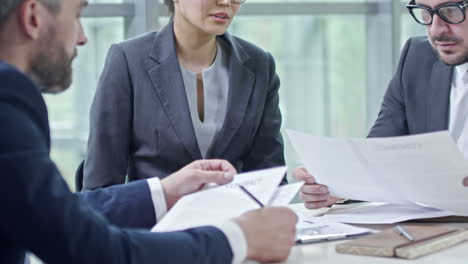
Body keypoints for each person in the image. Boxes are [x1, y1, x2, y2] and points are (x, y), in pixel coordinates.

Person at [0, 0, 298, 263]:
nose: (82, 37)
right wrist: (237, 238)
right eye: (77, 15)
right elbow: (86, 241)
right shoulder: (8, 100)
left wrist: (164, 191)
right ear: (33, 17)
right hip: (157, 245)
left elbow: (59, 213)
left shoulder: (260, 65)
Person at [82, 0, 286, 190]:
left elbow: (270, 177)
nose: (226, 2)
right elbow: (102, 187)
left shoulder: (259, 65)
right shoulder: (128, 61)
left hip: (234, 224)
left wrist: (310, 195)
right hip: (154, 225)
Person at [294, 0, 468, 209]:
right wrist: (335, 183)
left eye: (450, 11)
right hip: (435, 228)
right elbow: (379, 153)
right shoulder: (418, 57)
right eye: (425, 13)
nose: (436, 29)